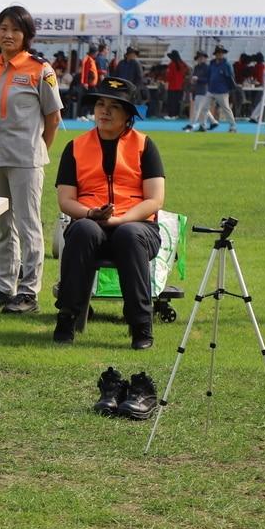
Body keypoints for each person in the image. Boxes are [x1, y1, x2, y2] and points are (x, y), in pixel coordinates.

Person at [52, 76, 165, 349]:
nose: (104, 111)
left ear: (128, 115)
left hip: (137, 226)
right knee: (81, 229)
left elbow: (155, 199)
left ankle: (140, 325)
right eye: (100, 104)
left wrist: (122, 218)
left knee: (128, 234)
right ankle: (67, 317)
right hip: (92, 223)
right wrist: (91, 214)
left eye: (114, 106)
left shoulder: (145, 145)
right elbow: (66, 200)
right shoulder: (76, 147)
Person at [0, 5, 62, 315]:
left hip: (26, 159)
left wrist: (40, 151)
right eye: (2, 28)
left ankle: (28, 291)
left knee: (28, 223)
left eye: (14, 29)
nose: (7, 35)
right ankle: (4, 285)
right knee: (2, 224)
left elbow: (53, 118)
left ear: (26, 35)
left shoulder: (41, 70)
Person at [200, 45, 238, 132]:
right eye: (218, 53)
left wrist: (230, 88)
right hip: (211, 90)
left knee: (226, 109)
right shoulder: (212, 64)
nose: (220, 54)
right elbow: (208, 76)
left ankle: (233, 126)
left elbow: (231, 78)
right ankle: (203, 125)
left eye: (221, 53)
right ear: (216, 54)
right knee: (204, 107)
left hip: (222, 91)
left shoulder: (227, 65)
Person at [183, 50, 213, 131]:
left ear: (205, 58)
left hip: (204, 90)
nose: (200, 59)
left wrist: (198, 79)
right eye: (199, 57)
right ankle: (204, 126)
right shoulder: (196, 67)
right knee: (203, 110)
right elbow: (194, 77)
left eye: (202, 57)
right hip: (197, 89)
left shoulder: (207, 68)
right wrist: (193, 80)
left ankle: (191, 124)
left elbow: (208, 80)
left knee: (197, 109)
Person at [163, 50, 188, 119]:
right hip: (180, 86)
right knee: (177, 102)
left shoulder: (171, 64)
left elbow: (169, 76)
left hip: (172, 86)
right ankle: (176, 115)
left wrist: (166, 82)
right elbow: (186, 71)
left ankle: (171, 114)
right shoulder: (183, 64)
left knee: (171, 101)